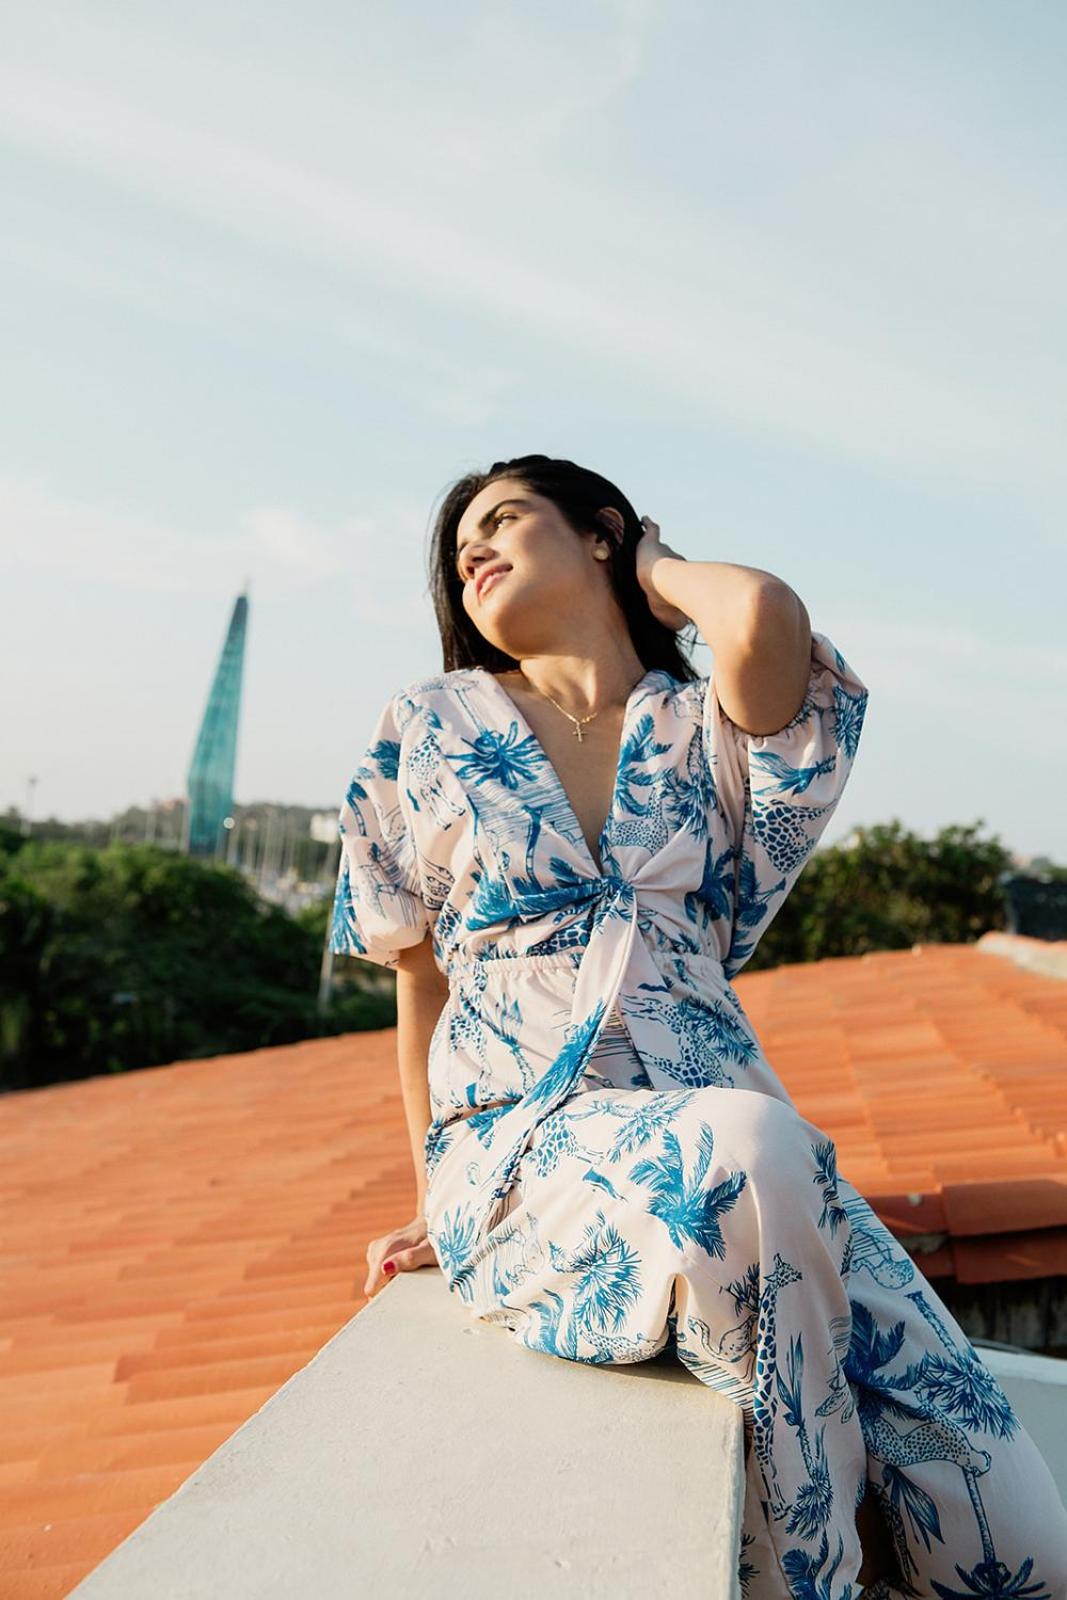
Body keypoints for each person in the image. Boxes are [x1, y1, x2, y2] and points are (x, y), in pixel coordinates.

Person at [329, 454, 1067, 1600]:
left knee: (1014, 1531)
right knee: (749, 1147)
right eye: (458, 548)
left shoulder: (701, 724)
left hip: (743, 1150)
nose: (472, 551)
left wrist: (660, 569)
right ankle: (807, 1573)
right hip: (530, 1145)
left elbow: (763, 613)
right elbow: (416, 977)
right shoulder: (428, 723)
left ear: (600, 533)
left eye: (504, 519)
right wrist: (437, 1190)